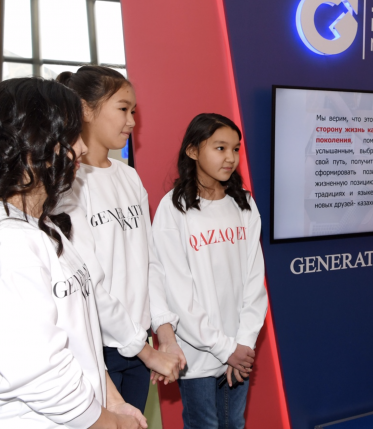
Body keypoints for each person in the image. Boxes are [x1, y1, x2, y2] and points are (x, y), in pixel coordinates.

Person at [0, 77, 147, 428]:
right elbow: (39, 373)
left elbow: (78, 338)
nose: (81, 148)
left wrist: (114, 401)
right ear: (33, 145)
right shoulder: (10, 244)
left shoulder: (47, 226)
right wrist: (108, 422)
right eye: (70, 136)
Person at [56, 66, 186, 412]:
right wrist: (146, 351)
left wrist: (165, 336)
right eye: (123, 109)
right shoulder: (67, 184)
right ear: (86, 109)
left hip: (138, 347)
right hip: (97, 349)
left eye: (134, 111)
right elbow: (89, 282)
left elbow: (150, 263)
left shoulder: (129, 178)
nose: (132, 121)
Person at [151, 113, 268, 429]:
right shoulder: (173, 209)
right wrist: (224, 348)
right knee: (204, 425)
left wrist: (243, 343)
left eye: (235, 149)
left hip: (239, 347)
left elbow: (254, 281)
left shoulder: (244, 204)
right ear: (192, 151)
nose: (230, 157)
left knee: (234, 423)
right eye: (220, 148)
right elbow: (177, 293)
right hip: (197, 353)